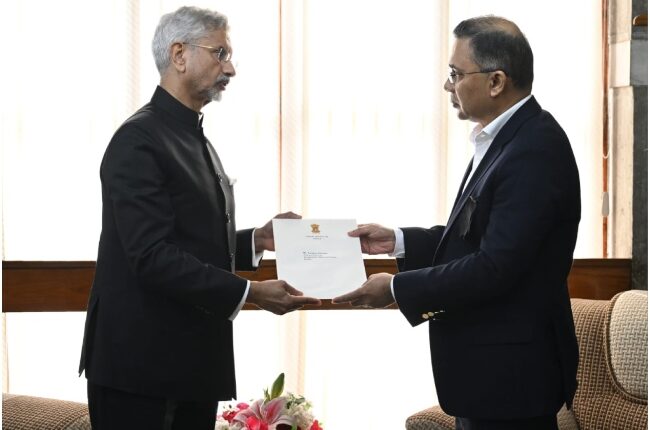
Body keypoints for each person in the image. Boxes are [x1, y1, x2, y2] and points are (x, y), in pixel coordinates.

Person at [78, 6, 320, 430]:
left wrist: (256, 241)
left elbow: (189, 239)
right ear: (179, 54)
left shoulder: (191, 133)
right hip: (142, 368)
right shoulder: (139, 140)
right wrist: (252, 293)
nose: (230, 68)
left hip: (190, 364)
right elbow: (151, 255)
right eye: (220, 53)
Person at [333, 16, 580, 430]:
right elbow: (473, 236)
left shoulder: (535, 148)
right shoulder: (504, 138)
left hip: (511, 380)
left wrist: (395, 288)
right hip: (487, 374)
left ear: (496, 81)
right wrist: (397, 241)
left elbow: (495, 266)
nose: (448, 86)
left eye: (456, 73)